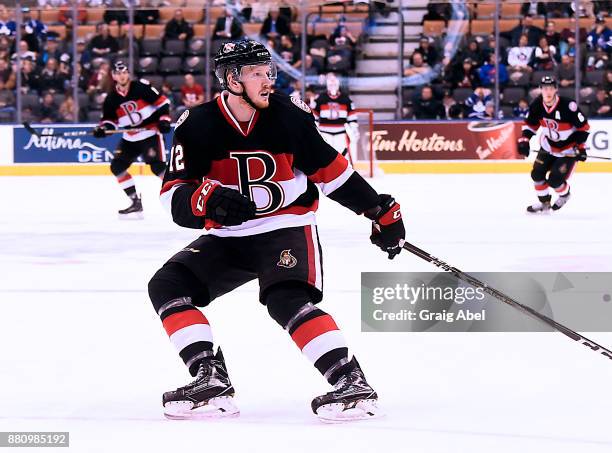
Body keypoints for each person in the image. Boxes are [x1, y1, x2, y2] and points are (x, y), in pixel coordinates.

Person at [148, 39, 404, 422]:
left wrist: (378, 210)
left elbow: (332, 174)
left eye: (269, 72)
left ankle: (350, 381)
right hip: (227, 235)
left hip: (286, 226)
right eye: (257, 73)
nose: (268, 80)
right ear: (233, 79)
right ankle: (209, 376)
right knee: (167, 285)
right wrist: (207, 200)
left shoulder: (289, 117)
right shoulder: (197, 125)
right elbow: (173, 196)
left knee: (285, 298)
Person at [93, 61, 172, 217]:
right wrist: (104, 129)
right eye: (118, 73)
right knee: (117, 167)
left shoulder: (141, 87)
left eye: (124, 72)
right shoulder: (111, 98)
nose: (122, 76)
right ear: (114, 76)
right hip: (130, 138)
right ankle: (135, 202)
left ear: (128, 74)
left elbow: (163, 103)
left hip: (149, 134)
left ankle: (184, 191)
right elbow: (109, 121)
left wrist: (164, 120)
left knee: (158, 168)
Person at [517, 76, 590, 213]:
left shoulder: (569, 106)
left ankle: (565, 195)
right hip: (548, 147)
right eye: (545, 89)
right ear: (541, 90)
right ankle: (544, 203)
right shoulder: (537, 105)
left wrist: (580, 147)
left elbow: (584, 128)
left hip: (568, 150)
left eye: (551, 88)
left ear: (556, 89)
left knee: (555, 180)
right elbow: (530, 125)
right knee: (536, 175)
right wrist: (525, 140)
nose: (548, 92)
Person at [311, 72, 359, 162]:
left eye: (334, 82)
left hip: (341, 133)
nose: (332, 84)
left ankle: (342, 174)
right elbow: (314, 117)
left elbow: (352, 117)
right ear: (327, 84)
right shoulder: (320, 98)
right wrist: (314, 130)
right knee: (324, 156)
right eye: (330, 82)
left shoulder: (346, 99)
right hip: (324, 133)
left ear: (338, 83)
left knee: (342, 156)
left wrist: (354, 130)